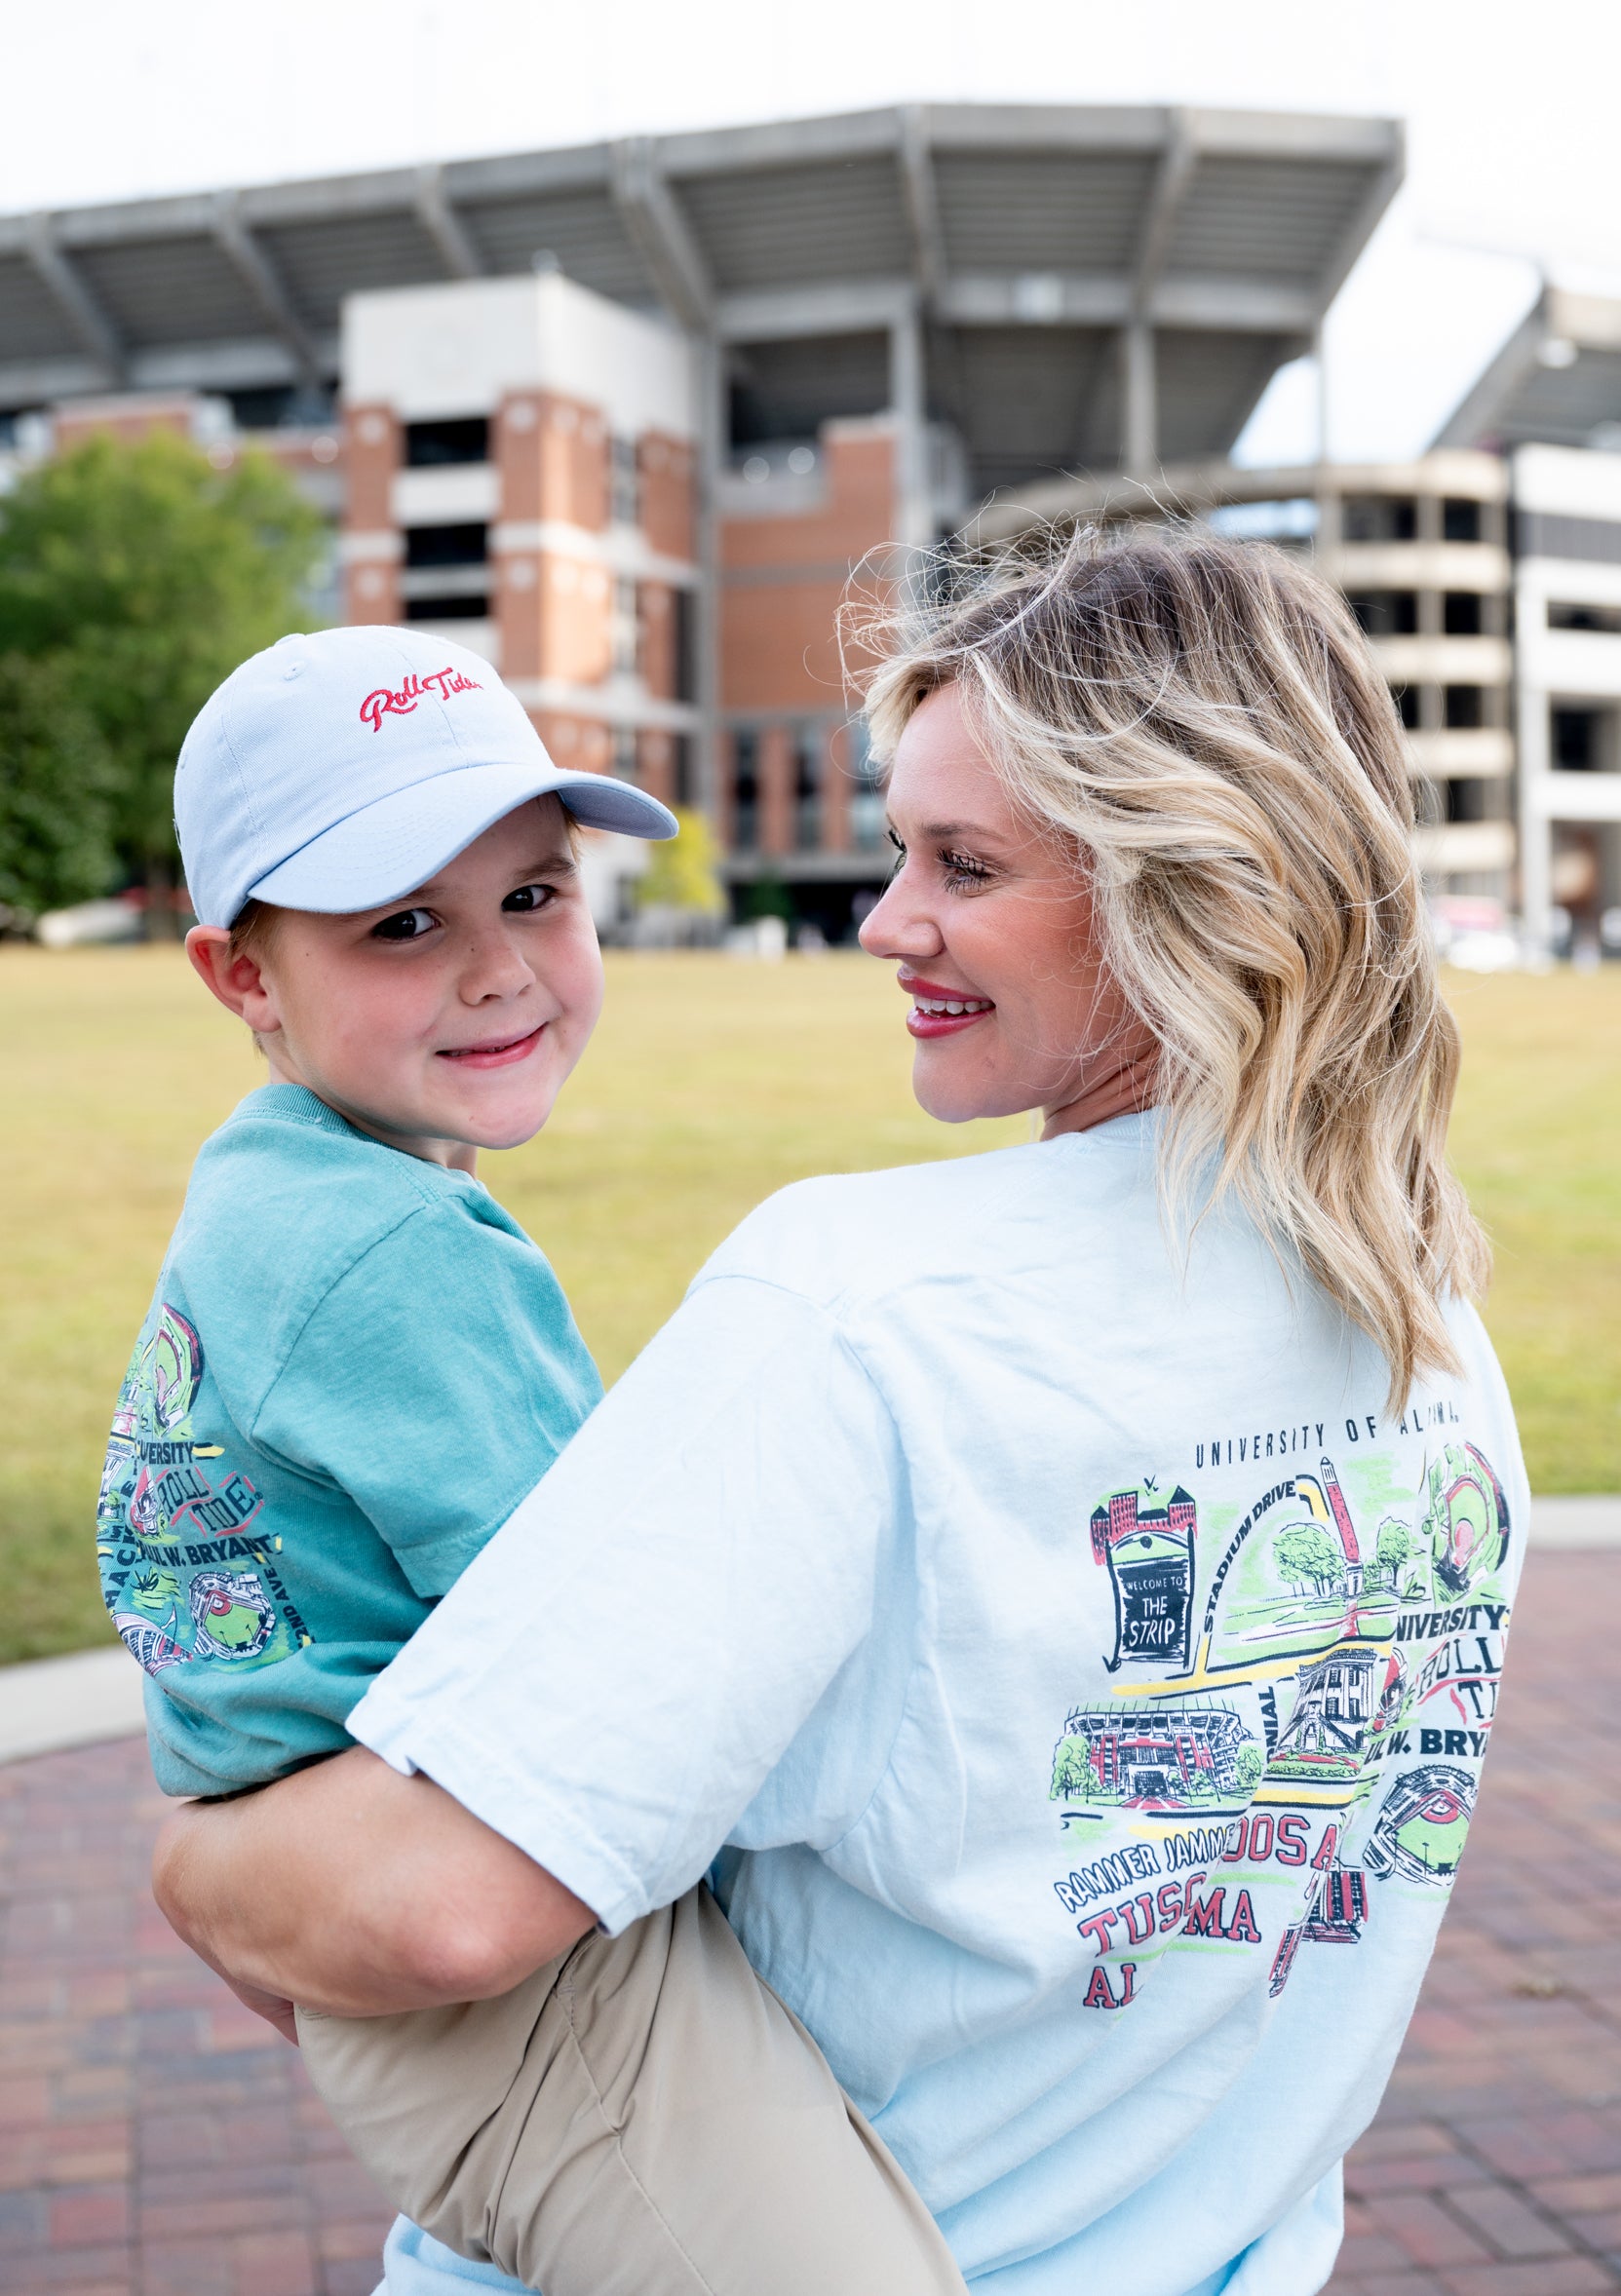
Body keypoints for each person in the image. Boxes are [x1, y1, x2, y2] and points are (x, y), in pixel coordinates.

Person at [154, 538, 1529, 2296]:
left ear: (1187, 881)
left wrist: (198, 1859)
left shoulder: (858, 1312)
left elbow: (445, 1903)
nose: (888, 921)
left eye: (965, 865)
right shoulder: (1430, 1330)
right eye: (899, 851)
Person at [103, 625, 968, 2296]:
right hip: (509, 1967)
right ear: (242, 977)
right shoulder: (392, 1260)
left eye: (534, 894)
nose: (498, 968)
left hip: (381, 1924)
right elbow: (610, 1653)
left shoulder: (276, 1191)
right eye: (404, 924)